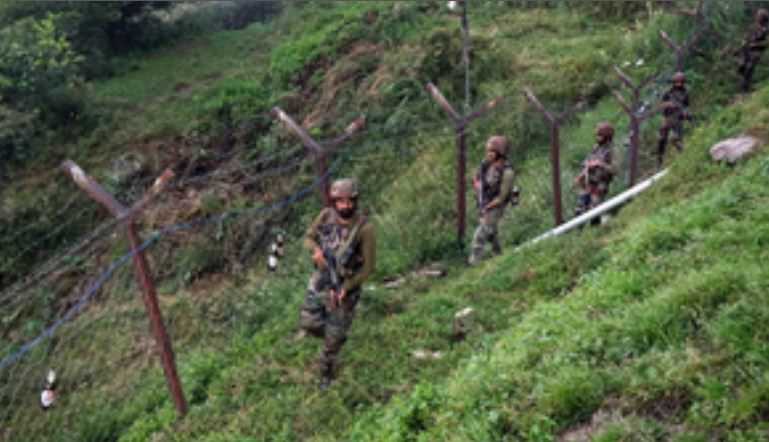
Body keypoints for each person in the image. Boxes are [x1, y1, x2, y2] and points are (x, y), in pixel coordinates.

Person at [299, 178, 376, 389]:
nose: (345, 206)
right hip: (322, 277)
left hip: (347, 283)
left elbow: (369, 268)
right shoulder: (326, 215)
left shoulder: (365, 228)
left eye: (349, 201)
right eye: (340, 202)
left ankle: (325, 373)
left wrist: (347, 287)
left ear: (355, 200)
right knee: (309, 323)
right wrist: (316, 252)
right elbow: (308, 237)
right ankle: (336, 335)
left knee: (332, 340)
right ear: (334, 201)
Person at [469, 136, 517, 265]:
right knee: (491, 232)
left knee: (481, 232)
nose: (488, 154)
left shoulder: (507, 172)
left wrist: (488, 207)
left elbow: (501, 197)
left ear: (500, 153)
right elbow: (479, 181)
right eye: (488, 150)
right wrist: (477, 184)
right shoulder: (486, 165)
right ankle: (498, 255)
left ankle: (474, 261)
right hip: (485, 201)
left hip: (496, 204)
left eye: (492, 151)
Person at [574, 122, 616, 224]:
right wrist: (581, 176)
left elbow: (614, 170)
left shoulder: (611, 151)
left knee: (595, 211)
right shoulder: (596, 148)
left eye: (600, 135)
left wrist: (600, 164)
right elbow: (588, 163)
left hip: (600, 185)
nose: (597, 137)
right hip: (589, 183)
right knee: (579, 208)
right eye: (597, 135)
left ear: (607, 136)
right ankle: (577, 234)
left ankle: (595, 232)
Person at [657, 72, 692, 167]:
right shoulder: (668, 92)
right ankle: (660, 158)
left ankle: (684, 156)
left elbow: (687, 106)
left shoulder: (685, 93)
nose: (679, 84)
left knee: (676, 139)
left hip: (678, 118)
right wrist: (668, 104)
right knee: (662, 138)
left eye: (681, 82)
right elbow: (661, 105)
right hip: (668, 117)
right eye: (677, 82)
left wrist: (687, 113)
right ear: (674, 82)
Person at [738, 8, 769, 92]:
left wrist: (755, 44)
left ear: (763, 18)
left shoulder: (766, 29)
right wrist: (743, 42)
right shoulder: (753, 26)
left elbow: (766, 42)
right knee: (743, 68)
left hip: (756, 51)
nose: (757, 17)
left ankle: (745, 89)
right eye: (758, 15)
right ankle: (743, 89)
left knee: (749, 68)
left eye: (760, 15)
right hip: (746, 50)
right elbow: (746, 36)